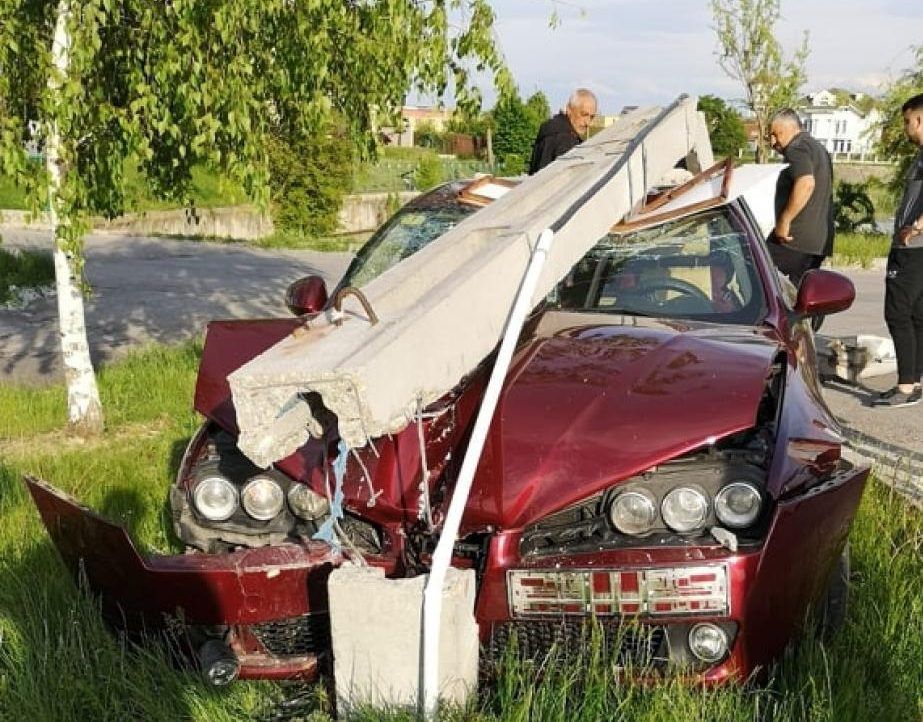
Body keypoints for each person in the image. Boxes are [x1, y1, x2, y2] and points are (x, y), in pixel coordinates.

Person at [872, 93, 923, 409]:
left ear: (919, 119)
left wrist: (916, 227)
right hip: (917, 249)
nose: (906, 128)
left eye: (907, 122)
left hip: (914, 248)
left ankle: (905, 386)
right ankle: (914, 381)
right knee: (917, 314)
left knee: (897, 312)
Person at [766, 108, 835, 288]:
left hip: (794, 240)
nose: (772, 142)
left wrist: (785, 220)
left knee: (758, 273)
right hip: (817, 242)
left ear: (792, 127)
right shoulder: (817, 148)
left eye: (776, 134)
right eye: (770, 136)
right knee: (795, 293)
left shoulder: (795, 148)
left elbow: (806, 183)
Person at [528, 88, 598, 175]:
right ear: (569, 110)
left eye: (591, 117)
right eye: (584, 114)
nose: (588, 122)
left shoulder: (550, 129)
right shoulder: (566, 140)